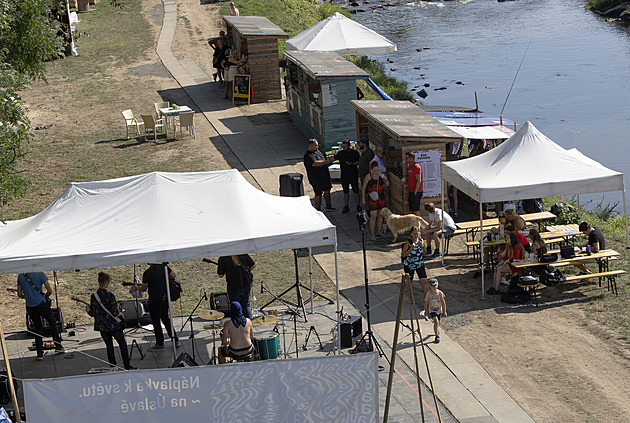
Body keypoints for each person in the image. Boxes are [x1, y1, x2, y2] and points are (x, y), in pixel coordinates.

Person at [86, 272, 134, 370]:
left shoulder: (94, 296)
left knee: (109, 346)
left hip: (102, 326)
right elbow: (114, 312)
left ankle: (113, 367)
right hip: (113, 325)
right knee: (122, 344)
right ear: (106, 282)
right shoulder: (110, 295)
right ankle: (127, 366)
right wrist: (121, 314)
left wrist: (88, 311)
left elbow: (93, 313)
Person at [17, 272, 66, 360]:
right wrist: (44, 297)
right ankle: (58, 346)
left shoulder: (21, 276)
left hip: (30, 306)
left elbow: (19, 294)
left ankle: (39, 353)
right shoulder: (40, 274)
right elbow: (49, 291)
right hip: (41, 303)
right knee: (52, 321)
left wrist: (28, 296)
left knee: (38, 327)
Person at [134, 263, 180, 351]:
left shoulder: (148, 273)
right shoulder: (164, 267)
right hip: (164, 297)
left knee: (156, 320)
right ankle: (175, 339)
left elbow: (144, 288)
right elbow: (173, 275)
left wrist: (137, 287)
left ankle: (160, 343)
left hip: (154, 299)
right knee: (166, 319)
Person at [217, 254, 256, 319]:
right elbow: (253, 265)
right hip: (245, 283)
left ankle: (236, 325)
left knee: (235, 306)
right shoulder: (242, 254)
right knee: (246, 305)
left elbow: (220, 275)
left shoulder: (223, 258)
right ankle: (249, 325)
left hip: (233, 286)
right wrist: (246, 272)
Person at [303, 138, 335, 211]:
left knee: (327, 191)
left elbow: (322, 159)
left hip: (325, 176)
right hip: (316, 178)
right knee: (318, 194)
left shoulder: (318, 152)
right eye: (315, 145)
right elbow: (315, 163)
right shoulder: (308, 156)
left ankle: (328, 206)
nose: (317, 147)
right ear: (310, 146)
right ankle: (318, 209)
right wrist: (327, 161)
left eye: (317, 145)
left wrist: (328, 158)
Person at [362, 161, 389, 241]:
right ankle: (372, 234)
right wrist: (363, 198)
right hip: (372, 197)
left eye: (377, 170)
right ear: (371, 169)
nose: (376, 172)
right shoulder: (368, 177)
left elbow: (387, 185)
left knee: (380, 215)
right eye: (374, 170)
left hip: (381, 197)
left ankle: (378, 231)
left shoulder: (381, 176)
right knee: (373, 216)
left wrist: (386, 179)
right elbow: (363, 188)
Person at [334, 139, 361, 214]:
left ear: (349, 145)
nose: (344, 148)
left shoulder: (354, 153)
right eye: (343, 146)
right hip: (344, 175)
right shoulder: (341, 153)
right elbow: (334, 158)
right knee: (345, 191)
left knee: (356, 191)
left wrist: (352, 164)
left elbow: (359, 161)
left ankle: (358, 205)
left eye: (345, 146)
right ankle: (346, 206)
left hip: (353, 174)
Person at [401, 226, 429, 295]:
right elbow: (403, 255)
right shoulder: (408, 243)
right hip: (409, 264)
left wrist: (422, 246)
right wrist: (410, 249)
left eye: (417, 233)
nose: (416, 235)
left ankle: (428, 299)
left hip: (419, 263)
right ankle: (411, 298)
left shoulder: (421, 241)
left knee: (424, 281)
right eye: (414, 234)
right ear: (411, 234)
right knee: (409, 282)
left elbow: (425, 253)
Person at [424, 278, 446, 343]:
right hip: (432, 310)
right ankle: (437, 336)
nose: (434, 287)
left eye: (435, 285)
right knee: (435, 321)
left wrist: (444, 311)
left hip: (439, 310)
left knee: (438, 322)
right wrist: (425, 312)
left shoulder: (440, 293)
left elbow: (443, 302)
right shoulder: (428, 294)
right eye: (432, 286)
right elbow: (426, 303)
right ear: (430, 286)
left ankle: (436, 330)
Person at [405, 152, 423, 216]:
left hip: (416, 191)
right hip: (411, 191)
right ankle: (415, 225)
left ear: (412, 158)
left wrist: (415, 192)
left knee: (416, 211)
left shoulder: (416, 167)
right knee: (412, 211)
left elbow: (419, 180)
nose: (406, 160)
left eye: (407, 158)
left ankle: (421, 225)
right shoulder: (410, 166)